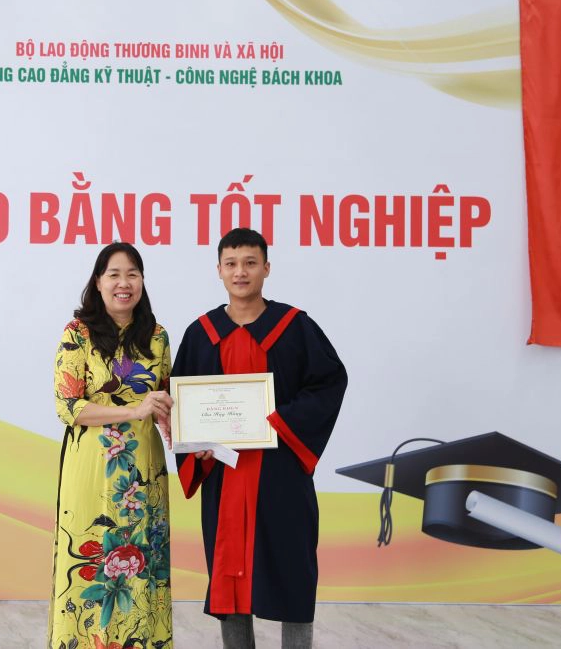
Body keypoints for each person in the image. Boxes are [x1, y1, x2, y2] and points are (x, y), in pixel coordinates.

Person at [173, 228, 347, 649]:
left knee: (293, 575)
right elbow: (182, 401)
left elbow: (329, 382)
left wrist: (275, 420)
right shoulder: (201, 333)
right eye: (231, 264)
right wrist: (192, 439)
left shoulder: (295, 327)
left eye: (250, 263)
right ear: (218, 270)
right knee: (228, 579)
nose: (241, 272)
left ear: (266, 268)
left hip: (280, 472)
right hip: (224, 473)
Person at [49, 242, 174, 649]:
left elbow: (167, 399)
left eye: (132, 274)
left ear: (142, 281)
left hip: (144, 467)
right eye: (114, 274)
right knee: (92, 563)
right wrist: (133, 411)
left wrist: (185, 423)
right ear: (99, 282)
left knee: (144, 563)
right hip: (91, 466)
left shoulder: (157, 337)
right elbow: (68, 406)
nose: (124, 283)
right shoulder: (78, 334)